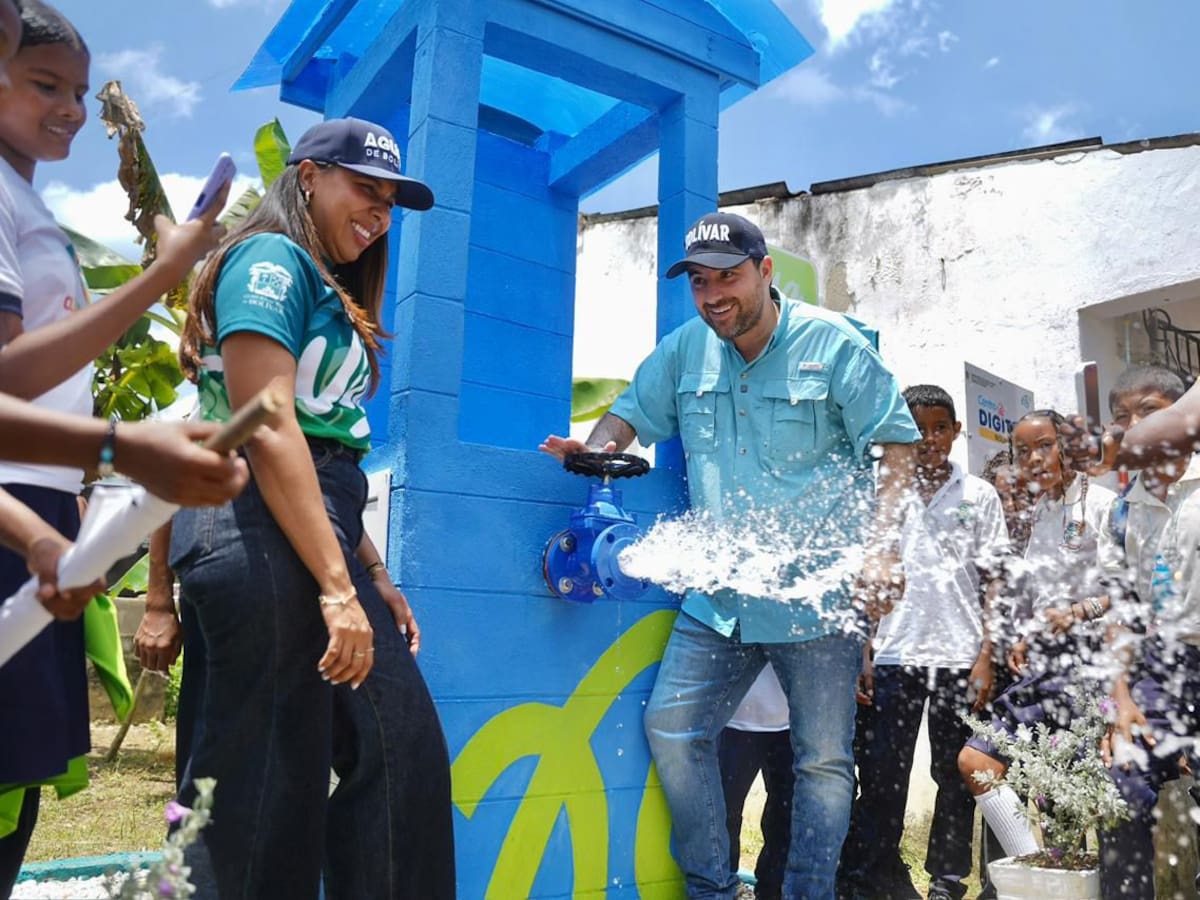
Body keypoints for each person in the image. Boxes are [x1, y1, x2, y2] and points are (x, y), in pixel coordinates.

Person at [541, 211, 921, 899]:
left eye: (729, 277)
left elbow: (896, 442)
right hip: (719, 597)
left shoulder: (830, 344)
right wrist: (597, 449)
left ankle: (808, 893)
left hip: (816, 596)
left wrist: (883, 548)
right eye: (700, 283)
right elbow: (629, 413)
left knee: (823, 765)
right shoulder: (686, 350)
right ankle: (712, 889)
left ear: (765, 271)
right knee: (672, 727)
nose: (714, 295)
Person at [170, 116, 453, 900]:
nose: (380, 213)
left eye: (391, 201)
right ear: (306, 178)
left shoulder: (331, 288)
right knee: (258, 790)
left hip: (308, 517)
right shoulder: (269, 257)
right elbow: (268, 423)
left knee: (399, 758)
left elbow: (326, 456)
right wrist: (337, 587)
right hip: (251, 519)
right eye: (365, 189)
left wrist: (370, 572)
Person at [0, 4, 242, 893]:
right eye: (42, 84)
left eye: (75, 90)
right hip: (16, 501)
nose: (67, 109)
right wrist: (164, 275)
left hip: (41, 507)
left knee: (16, 786)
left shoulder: (27, 202)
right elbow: (10, 383)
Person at [839, 385, 1007, 900]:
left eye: (940, 428)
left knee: (951, 777)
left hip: (960, 659)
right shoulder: (883, 495)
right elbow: (863, 581)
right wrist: (863, 651)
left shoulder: (979, 495)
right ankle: (873, 877)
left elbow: (995, 579)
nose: (929, 439)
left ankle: (947, 878)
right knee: (884, 775)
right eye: (916, 431)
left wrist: (987, 655)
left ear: (957, 432)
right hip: (894, 656)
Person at [957, 409, 1116, 859]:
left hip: (1089, 666)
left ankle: (1055, 878)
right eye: (1023, 451)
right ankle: (1035, 875)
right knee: (978, 761)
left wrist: (1080, 611)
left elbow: (1132, 591)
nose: (1034, 459)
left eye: (1044, 445)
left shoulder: (1102, 505)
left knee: (1063, 806)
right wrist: (1028, 635)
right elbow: (1039, 588)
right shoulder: (1044, 511)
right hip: (1042, 665)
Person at [1093, 367, 1199, 899]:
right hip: (1159, 664)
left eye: (1150, 410)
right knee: (1123, 783)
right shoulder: (1121, 509)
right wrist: (1119, 702)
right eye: (1122, 417)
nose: (1134, 425)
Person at [719, 664, 793, 900]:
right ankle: (725, 887)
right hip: (733, 720)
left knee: (787, 815)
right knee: (723, 815)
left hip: (794, 721)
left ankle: (773, 890)